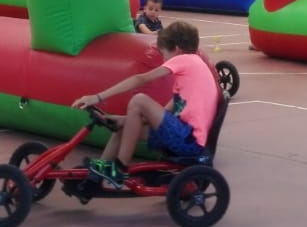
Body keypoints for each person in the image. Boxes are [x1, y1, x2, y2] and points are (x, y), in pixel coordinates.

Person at [74, 21, 220, 189]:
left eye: (163, 54)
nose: (163, 59)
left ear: (177, 50)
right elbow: (163, 114)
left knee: (139, 99)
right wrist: (124, 120)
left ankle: (119, 169)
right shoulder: (191, 74)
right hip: (184, 137)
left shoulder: (185, 60)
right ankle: (96, 178)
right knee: (125, 128)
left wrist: (98, 97)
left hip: (189, 141)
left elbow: (140, 79)